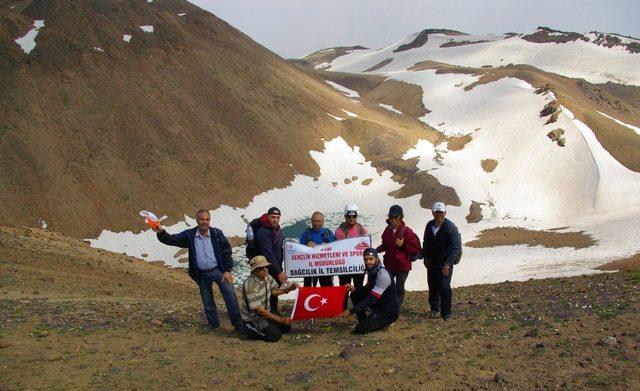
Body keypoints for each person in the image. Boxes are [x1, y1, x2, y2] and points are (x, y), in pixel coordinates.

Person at [153, 209, 242, 331]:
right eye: (202, 219)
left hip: (218, 271)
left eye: (207, 219)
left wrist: (227, 270)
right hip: (202, 273)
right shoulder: (190, 235)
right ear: (197, 220)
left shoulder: (216, 234)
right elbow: (172, 239)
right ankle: (213, 324)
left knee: (230, 294)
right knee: (207, 299)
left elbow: (226, 251)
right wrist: (161, 232)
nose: (205, 222)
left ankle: (238, 324)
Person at [339, 248, 400, 334]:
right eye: (366, 259)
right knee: (355, 294)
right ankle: (364, 320)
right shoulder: (372, 271)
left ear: (377, 259)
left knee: (359, 329)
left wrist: (350, 311)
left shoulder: (383, 275)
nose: (368, 262)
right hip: (379, 305)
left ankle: (387, 322)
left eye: (371, 259)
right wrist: (355, 289)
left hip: (389, 311)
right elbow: (367, 289)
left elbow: (371, 299)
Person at [240, 256, 298, 342]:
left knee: (286, 328)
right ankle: (249, 329)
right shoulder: (250, 286)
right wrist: (281, 319)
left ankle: (268, 326)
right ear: (254, 271)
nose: (265, 270)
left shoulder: (267, 276)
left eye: (266, 267)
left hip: (267, 311)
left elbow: (274, 291)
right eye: (261, 268)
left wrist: (288, 289)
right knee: (275, 336)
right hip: (254, 317)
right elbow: (260, 311)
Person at [422, 202, 461, 321]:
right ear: (433, 212)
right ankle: (434, 309)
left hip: (445, 262)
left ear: (445, 212)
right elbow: (426, 242)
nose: (439, 214)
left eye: (441, 212)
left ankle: (446, 313)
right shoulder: (429, 225)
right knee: (432, 285)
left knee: (444, 286)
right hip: (432, 261)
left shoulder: (451, 228)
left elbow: (455, 248)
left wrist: (447, 263)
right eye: (437, 212)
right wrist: (426, 257)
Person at [376, 205, 421, 305]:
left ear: (400, 217)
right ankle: (387, 303)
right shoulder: (387, 230)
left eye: (395, 217)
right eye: (390, 216)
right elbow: (385, 245)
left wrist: (403, 245)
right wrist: (375, 251)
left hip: (402, 265)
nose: (392, 219)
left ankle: (397, 306)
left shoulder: (407, 231)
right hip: (390, 264)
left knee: (400, 287)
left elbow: (415, 249)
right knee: (386, 284)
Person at [255, 206, 285, 313]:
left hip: (275, 265)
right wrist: (278, 271)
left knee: (274, 290)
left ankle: (273, 311)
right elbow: (268, 253)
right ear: (267, 217)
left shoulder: (277, 229)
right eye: (273, 217)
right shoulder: (263, 232)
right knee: (268, 292)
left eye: (277, 217)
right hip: (266, 268)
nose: (275, 220)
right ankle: (268, 314)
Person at [335, 203, 368, 290]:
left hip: (359, 266)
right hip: (344, 267)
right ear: (345, 216)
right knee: (344, 290)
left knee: (358, 289)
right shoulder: (339, 231)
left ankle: (358, 304)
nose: (351, 218)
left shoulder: (362, 229)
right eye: (349, 216)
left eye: (354, 216)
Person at [299, 211, 336, 287]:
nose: (316, 223)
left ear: (323, 221)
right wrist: (306, 248)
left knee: (327, 290)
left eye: (319, 221)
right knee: (309, 291)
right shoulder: (305, 234)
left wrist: (328, 247)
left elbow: (335, 250)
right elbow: (299, 253)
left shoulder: (328, 233)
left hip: (325, 269)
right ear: (311, 221)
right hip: (309, 269)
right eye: (314, 221)